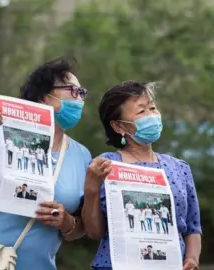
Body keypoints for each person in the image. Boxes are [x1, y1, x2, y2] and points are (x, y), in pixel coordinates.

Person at [0, 57, 92, 270]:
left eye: (82, 93)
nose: (79, 99)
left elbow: (82, 227)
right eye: (72, 91)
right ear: (43, 97)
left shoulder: (82, 155)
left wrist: (66, 222)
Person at [81, 81, 202, 270]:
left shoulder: (179, 168)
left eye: (152, 108)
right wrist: (91, 188)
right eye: (141, 112)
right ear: (119, 126)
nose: (152, 116)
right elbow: (94, 231)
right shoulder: (105, 166)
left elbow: (193, 227)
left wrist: (192, 259)